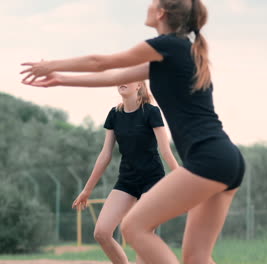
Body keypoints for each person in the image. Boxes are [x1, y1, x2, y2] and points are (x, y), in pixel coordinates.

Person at [21, 0, 245, 263]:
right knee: (196, 257)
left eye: (152, 3)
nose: (148, 6)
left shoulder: (168, 45)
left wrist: (52, 65)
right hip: (228, 160)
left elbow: (100, 62)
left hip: (207, 160)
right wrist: (61, 80)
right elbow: (111, 77)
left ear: (161, 13)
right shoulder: (177, 53)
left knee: (133, 227)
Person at [72, 81, 178, 264]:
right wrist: (87, 190)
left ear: (138, 85)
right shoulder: (114, 114)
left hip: (152, 181)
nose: (122, 81)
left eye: (128, 77)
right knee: (101, 232)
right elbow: (105, 155)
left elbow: (166, 151)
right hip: (127, 181)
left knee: (140, 234)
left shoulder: (151, 112)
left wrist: (181, 179)